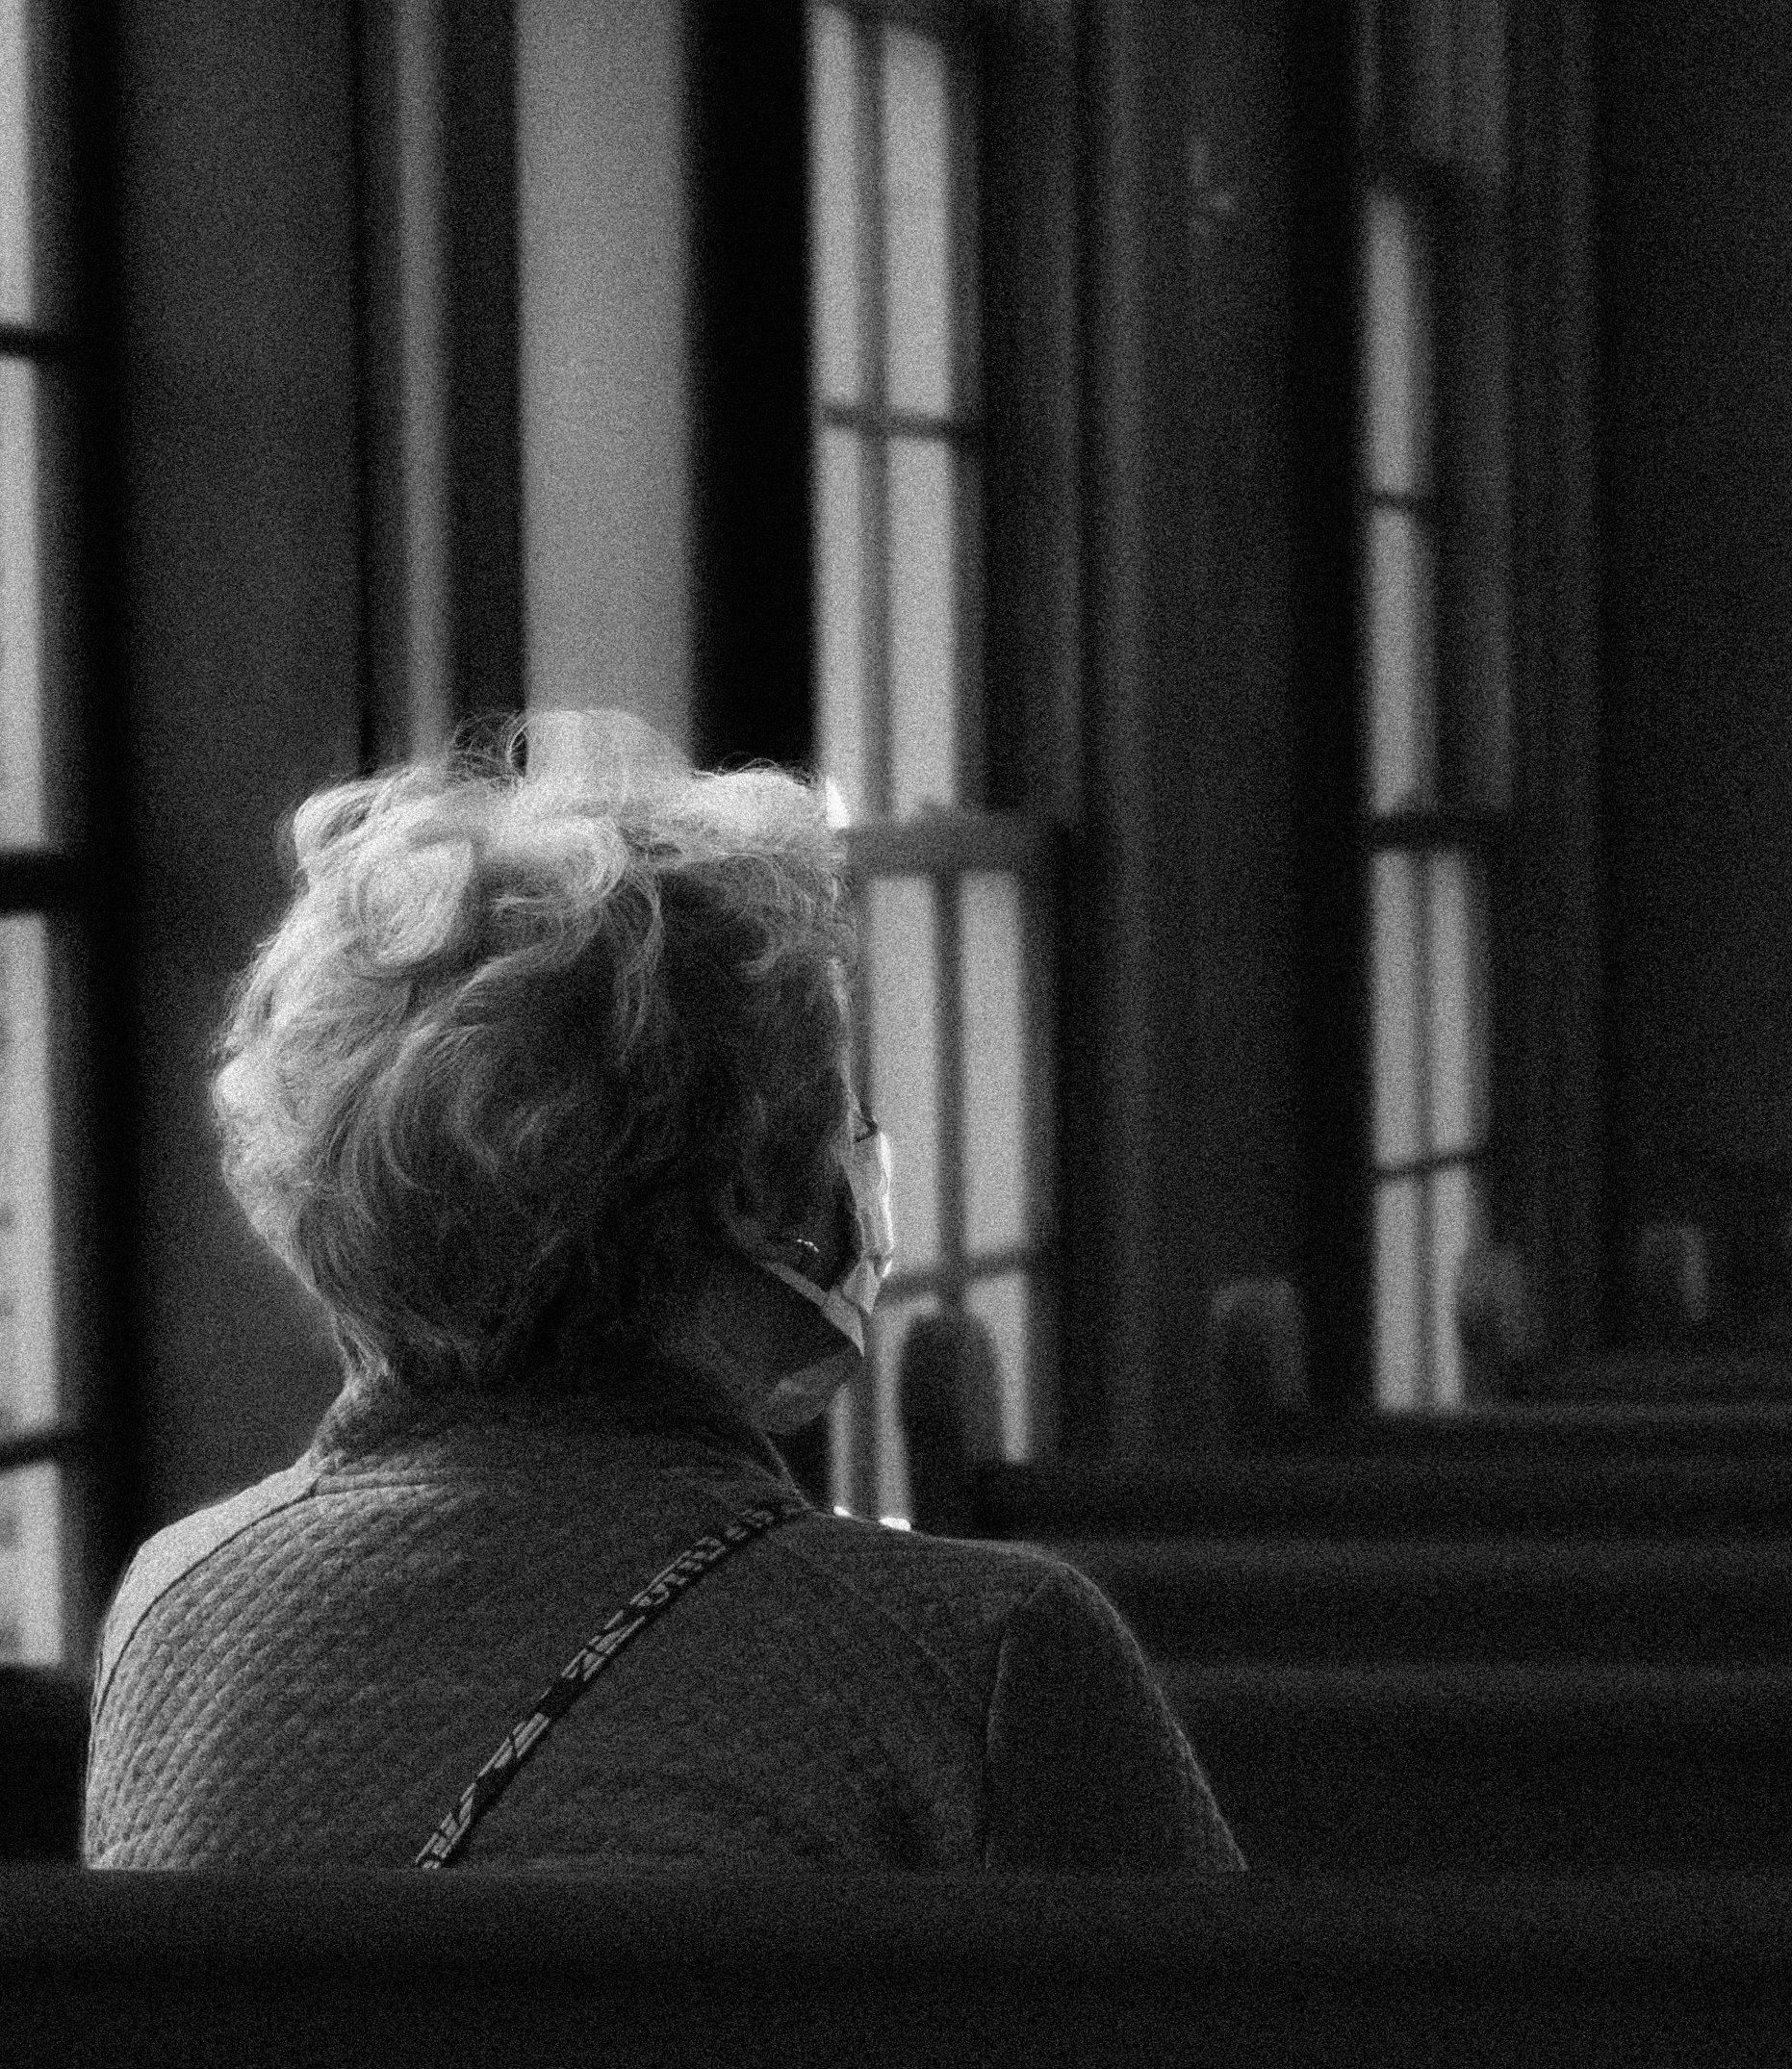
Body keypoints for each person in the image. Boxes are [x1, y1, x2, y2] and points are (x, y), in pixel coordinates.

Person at [86, 723, 1241, 1871]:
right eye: (842, 1112)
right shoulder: (987, 1659)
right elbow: (1223, 2043)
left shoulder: (174, 1606)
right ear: (751, 1184)